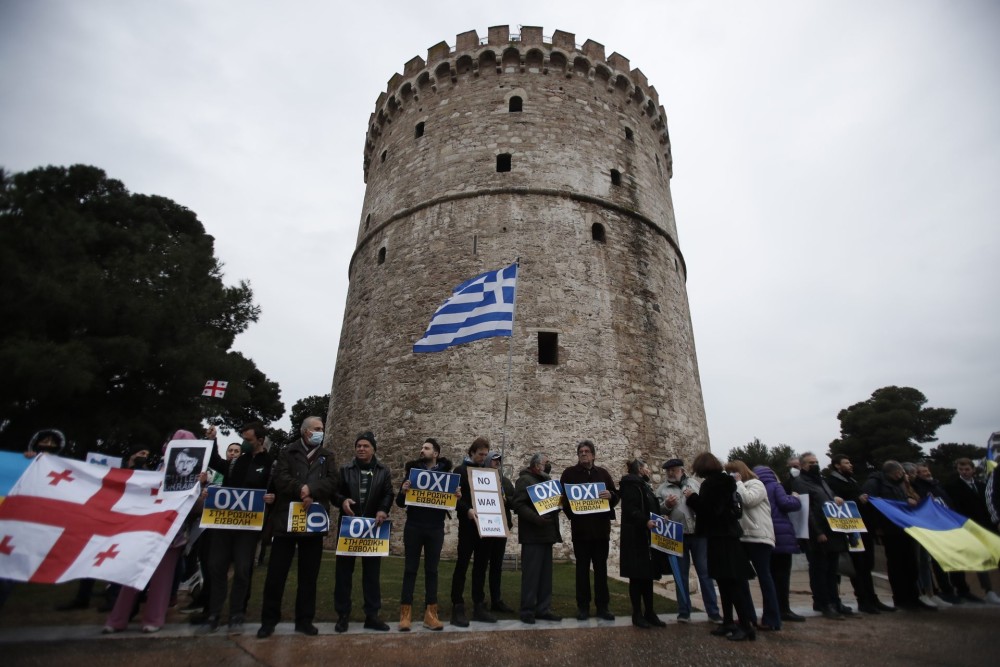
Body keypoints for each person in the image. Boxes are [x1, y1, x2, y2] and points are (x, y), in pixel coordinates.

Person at [104, 429, 202, 634]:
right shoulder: (155, 470)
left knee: (162, 578)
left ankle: (153, 618)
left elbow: (194, 507)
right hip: (144, 529)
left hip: (171, 533)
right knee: (131, 575)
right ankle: (118, 619)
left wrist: (199, 490)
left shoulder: (194, 475)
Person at [257, 417, 338, 638]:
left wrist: (311, 489)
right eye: (317, 429)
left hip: (313, 522)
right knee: (276, 575)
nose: (321, 431)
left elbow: (333, 481)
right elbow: (280, 478)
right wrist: (299, 489)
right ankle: (269, 620)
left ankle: (304, 620)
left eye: (322, 429)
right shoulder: (288, 452)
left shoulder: (326, 456)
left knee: (308, 576)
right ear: (305, 432)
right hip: (286, 520)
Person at [199, 424, 274, 635]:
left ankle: (236, 613)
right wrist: (212, 441)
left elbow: (274, 490)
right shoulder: (235, 463)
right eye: (243, 439)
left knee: (242, 570)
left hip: (248, 527)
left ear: (260, 440)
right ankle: (213, 613)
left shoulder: (269, 465)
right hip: (224, 524)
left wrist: (271, 497)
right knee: (216, 567)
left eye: (248, 440)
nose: (244, 444)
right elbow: (214, 462)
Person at [687, 452, 756, 641]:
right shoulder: (726, 482)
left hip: (721, 538)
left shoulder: (712, 484)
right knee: (725, 583)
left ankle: (745, 626)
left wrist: (692, 498)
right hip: (727, 536)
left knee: (731, 583)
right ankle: (728, 622)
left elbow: (710, 511)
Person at [334, 431, 394, 633]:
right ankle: (343, 615)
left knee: (371, 574)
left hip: (372, 527)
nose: (361, 448)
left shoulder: (383, 471)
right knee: (343, 574)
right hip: (348, 526)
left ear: (373, 449)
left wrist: (383, 510)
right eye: (358, 445)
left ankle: (372, 615)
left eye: (365, 446)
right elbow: (335, 492)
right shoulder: (345, 470)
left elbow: (388, 493)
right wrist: (342, 501)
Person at [824, 454, 894, 614]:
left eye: (850, 462)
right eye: (846, 462)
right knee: (859, 566)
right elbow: (835, 502)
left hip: (862, 527)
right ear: (837, 466)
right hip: (850, 530)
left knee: (866, 565)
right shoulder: (832, 482)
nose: (850, 465)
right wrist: (857, 499)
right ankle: (863, 599)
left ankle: (872, 598)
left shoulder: (851, 480)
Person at [655, 457, 722, 623]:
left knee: (705, 574)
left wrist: (693, 497)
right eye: (668, 471)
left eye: (674, 470)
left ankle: (713, 611)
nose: (671, 473)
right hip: (677, 536)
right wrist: (667, 505)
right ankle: (684, 611)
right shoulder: (662, 489)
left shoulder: (695, 484)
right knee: (681, 575)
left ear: (682, 470)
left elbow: (706, 504)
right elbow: (657, 509)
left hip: (698, 533)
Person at [395, 438, 452, 631]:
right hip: (414, 526)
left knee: (432, 571)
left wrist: (456, 496)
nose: (422, 450)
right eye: (421, 447)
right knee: (410, 569)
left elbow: (450, 502)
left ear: (435, 453)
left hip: (435, 528)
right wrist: (403, 492)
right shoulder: (413, 473)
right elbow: (400, 503)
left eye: (426, 448)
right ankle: (405, 613)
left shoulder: (446, 475)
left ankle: (431, 613)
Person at [560, 439, 619, 621]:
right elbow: (563, 500)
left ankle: (603, 607)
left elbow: (615, 495)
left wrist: (611, 496)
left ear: (593, 455)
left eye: (586, 451)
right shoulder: (569, 474)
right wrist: (574, 515)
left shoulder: (602, 474)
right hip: (581, 532)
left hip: (601, 531)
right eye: (580, 452)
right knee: (582, 570)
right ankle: (583, 607)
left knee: (601, 570)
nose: (583, 454)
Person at [861, 460, 930, 612]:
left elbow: (897, 501)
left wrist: (906, 500)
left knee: (911, 565)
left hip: (903, 528)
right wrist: (878, 527)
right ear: (895, 472)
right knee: (896, 565)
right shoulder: (874, 483)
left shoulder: (898, 484)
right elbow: (871, 505)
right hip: (889, 530)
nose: (903, 475)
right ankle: (901, 598)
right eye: (901, 473)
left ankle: (913, 597)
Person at [792, 451, 852, 620]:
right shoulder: (800, 482)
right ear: (803, 465)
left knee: (833, 570)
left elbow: (828, 498)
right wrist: (818, 532)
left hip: (832, 530)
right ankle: (823, 602)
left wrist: (836, 498)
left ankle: (835, 601)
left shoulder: (821, 481)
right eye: (811, 463)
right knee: (820, 569)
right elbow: (807, 509)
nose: (815, 465)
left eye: (816, 461)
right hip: (817, 533)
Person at [726, 460, 780, 632]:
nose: (730, 476)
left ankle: (772, 618)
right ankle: (747, 616)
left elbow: (748, 501)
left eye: (732, 472)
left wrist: (739, 483)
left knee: (765, 577)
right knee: (741, 579)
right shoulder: (735, 488)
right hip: (742, 537)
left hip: (759, 537)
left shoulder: (756, 484)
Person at [511, 452, 562, 625]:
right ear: (536, 465)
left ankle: (543, 609)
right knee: (531, 576)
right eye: (545, 463)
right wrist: (535, 518)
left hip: (547, 534)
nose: (548, 466)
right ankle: (527, 610)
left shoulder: (546, 481)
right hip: (532, 535)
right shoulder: (524, 481)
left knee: (545, 576)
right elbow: (518, 504)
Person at [449, 437, 494, 626]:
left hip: (484, 526)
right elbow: (454, 498)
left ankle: (478, 605)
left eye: (485, 454)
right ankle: (457, 606)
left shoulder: (488, 472)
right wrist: (466, 509)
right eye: (480, 454)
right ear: (472, 452)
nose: (483, 457)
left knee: (481, 567)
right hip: (467, 526)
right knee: (462, 565)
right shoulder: (459, 471)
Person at [944, 458, 1000, 605]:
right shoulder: (952, 488)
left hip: (987, 527)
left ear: (973, 470)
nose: (964, 472)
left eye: (967, 469)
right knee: (981, 559)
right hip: (968, 528)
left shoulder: (982, 486)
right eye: (961, 470)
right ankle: (988, 590)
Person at [619, 458, 667, 628]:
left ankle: (650, 612)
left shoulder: (643, 486)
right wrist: (645, 521)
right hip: (635, 537)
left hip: (646, 536)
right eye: (646, 467)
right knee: (637, 577)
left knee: (647, 576)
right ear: (639, 469)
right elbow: (631, 509)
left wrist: (660, 516)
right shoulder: (632, 486)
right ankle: (637, 614)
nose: (649, 470)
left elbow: (649, 507)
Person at [753, 464, 804, 623]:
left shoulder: (756, 488)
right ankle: (783, 610)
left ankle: (770, 611)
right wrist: (795, 498)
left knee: (768, 577)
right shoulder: (775, 486)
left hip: (764, 535)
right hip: (781, 535)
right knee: (782, 576)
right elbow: (785, 504)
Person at [486, 451, 515, 613]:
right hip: (485, 528)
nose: (496, 463)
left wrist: (506, 499)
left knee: (497, 566)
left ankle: (496, 600)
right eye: (494, 461)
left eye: (498, 461)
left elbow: (514, 501)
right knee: (482, 565)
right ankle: (480, 599)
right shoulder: (479, 478)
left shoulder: (504, 482)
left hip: (500, 527)